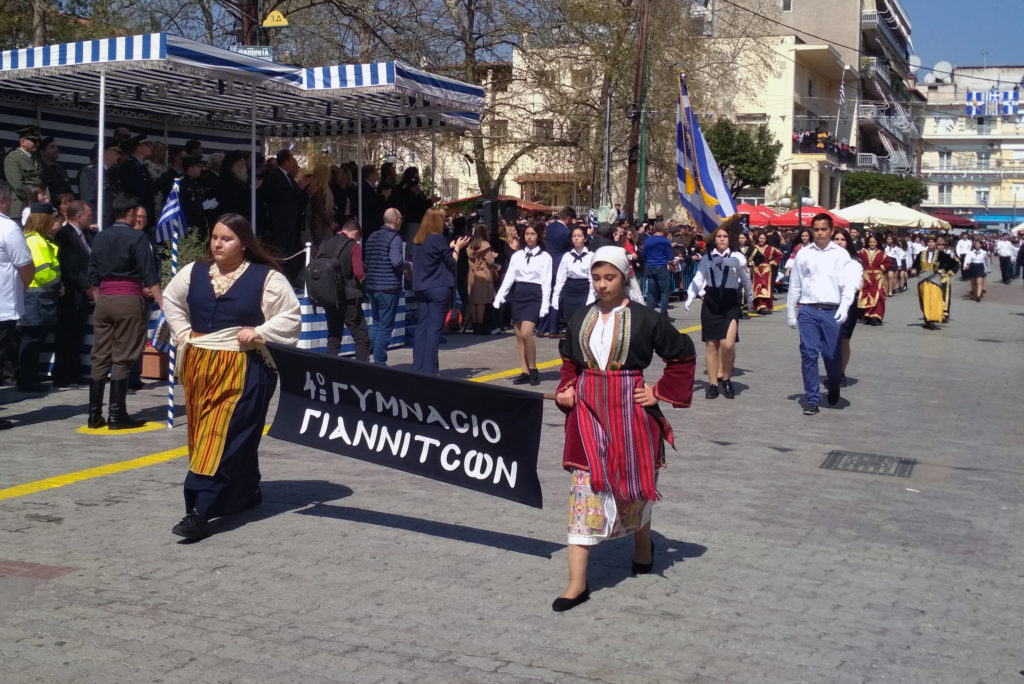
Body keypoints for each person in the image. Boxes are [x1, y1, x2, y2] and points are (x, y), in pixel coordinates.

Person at [552, 246, 696, 611]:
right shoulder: (579, 317)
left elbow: (682, 354)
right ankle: (576, 583)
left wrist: (658, 391)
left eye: (609, 278)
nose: (602, 285)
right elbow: (569, 361)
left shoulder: (647, 319)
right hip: (587, 415)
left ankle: (643, 549)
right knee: (583, 492)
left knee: (634, 486)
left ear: (624, 277)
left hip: (630, 416)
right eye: (597, 278)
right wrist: (565, 389)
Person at [162, 213, 301, 541]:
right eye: (215, 237)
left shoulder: (266, 278)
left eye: (227, 239)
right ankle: (246, 490)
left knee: (221, 437)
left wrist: (260, 331)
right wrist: (182, 333)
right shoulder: (194, 272)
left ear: (244, 244)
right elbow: (170, 299)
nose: (218, 244)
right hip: (200, 365)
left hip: (245, 368)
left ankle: (200, 509)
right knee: (213, 433)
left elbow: (290, 315)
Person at [86, 194, 162, 429]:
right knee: (123, 355)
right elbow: (149, 275)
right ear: (130, 213)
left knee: (100, 355)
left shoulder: (100, 237)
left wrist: (100, 299)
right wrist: (162, 303)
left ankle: (94, 414)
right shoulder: (137, 237)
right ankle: (117, 414)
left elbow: (92, 273)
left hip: (105, 298)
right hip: (128, 298)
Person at [786, 214, 858, 416]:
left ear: (831, 230)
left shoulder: (841, 255)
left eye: (824, 229)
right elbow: (796, 284)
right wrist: (791, 311)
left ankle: (834, 384)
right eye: (816, 229)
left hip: (831, 310)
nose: (819, 233)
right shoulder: (804, 253)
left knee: (830, 354)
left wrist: (844, 306)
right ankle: (812, 398)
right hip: (808, 309)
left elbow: (848, 284)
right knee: (808, 354)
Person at [685, 225, 752, 400]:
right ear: (714, 239)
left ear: (730, 239)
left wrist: (750, 298)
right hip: (712, 300)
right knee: (711, 345)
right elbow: (699, 278)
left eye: (725, 236)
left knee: (728, 345)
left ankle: (727, 378)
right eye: (719, 236)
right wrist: (690, 296)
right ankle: (713, 383)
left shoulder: (737, 256)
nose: (722, 239)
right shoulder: (707, 258)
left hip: (730, 301)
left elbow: (741, 268)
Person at [492, 221, 551, 386]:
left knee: (526, 333)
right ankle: (524, 370)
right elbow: (510, 276)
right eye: (527, 234)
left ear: (538, 236)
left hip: (535, 295)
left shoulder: (545, 257)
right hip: (519, 294)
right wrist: (499, 297)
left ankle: (533, 369)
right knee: (518, 336)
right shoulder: (517, 255)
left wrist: (546, 304)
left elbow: (546, 282)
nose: (530, 237)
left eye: (533, 234)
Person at [411, 208, 470, 374]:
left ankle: (418, 366)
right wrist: (457, 248)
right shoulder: (438, 239)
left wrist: (449, 247)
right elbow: (452, 263)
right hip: (438, 287)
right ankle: (430, 369)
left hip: (421, 287)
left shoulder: (418, 240)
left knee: (421, 326)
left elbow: (434, 256)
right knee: (434, 329)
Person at [15, 204, 62, 393]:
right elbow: (42, 271)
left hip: (39, 295)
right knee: (31, 340)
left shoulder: (39, 239)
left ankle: (29, 377)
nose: (54, 223)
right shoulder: (35, 241)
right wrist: (58, 284)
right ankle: (27, 380)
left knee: (34, 339)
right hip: (36, 295)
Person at [52, 201, 96, 387]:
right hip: (71, 294)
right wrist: (88, 288)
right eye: (89, 214)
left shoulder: (85, 234)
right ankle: (62, 375)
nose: (91, 217)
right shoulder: (65, 235)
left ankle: (74, 372)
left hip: (82, 296)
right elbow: (71, 267)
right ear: (79, 217)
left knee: (76, 335)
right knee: (67, 335)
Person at [0, 182, 34, 406]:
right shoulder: (8, 228)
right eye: (11, 200)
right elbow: (25, 266)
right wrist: (23, 287)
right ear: (2, 201)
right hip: (3, 306)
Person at [318, 220, 370, 361]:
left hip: (329, 297)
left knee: (334, 338)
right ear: (355, 233)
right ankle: (362, 374)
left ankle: (329, 373)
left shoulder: (325, 243)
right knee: (361, 338)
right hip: (349, 299)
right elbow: (359, 273)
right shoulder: (354, 246)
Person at [363, 208, 409, 364]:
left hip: (372, 286)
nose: (402, 221)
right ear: (395, 220)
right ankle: (379, 361)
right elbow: (396, 261)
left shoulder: (372, 236)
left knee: (376, 323)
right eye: (401, 218)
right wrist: (408, 265)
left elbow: (367, 260)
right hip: (388, 287)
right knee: (385, 327)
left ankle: (366, 355)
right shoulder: (394, 238)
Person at [832, 229, 863, 385]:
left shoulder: (854, 261)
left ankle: (841, 372)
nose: (839, 242)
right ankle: (832, 370)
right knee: (830, 341)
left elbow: (855, 285)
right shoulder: (826, 259)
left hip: (848, 305)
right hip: (829, 304)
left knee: (844, 339)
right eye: (836, 239)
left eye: (842, 239)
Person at [540, 208, 573, 337]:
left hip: (549, 262)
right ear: (568, 218)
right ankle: (553, 328)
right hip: (560, 264)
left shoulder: (550, 227)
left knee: (546, 294)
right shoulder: (566, 232)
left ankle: (542, 327)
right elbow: (571, 247)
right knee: (557, 296)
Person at [552, 225, 593, 328]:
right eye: (574, 236)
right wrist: (556, 295)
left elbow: (593, 278)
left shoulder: (591, 256)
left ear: (585, 238)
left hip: (585, 289)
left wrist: (591, 296)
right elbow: (561, 277)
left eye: (579, 235)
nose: (576, 238)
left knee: (583, 322)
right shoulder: (567, 256)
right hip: (570, 290)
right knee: (571, 322)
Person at [917, 236, 960, 329]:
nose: (931, 244)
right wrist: (914, 269)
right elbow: (916, 264)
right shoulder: (922, 254)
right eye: (929, 242)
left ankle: (933, 319)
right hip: (923, 280)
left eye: (933, 242)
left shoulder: (941, 254)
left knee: (935, 299)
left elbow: (955, 263)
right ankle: (927, 319)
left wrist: (946, 270)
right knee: (925, 300)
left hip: (935, 279)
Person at [4, 126, 44, 217]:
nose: (37, 144)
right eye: (34, 141)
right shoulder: (13, 158)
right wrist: (35, 197)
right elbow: (18, 186)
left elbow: (41, 181)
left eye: (38, 141)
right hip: (22, 208)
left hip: (38, 205)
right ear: (22, 142)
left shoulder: (35, 158)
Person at [465, 223, 498, 335]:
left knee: (473, 301)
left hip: (472, 273)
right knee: (481, 302)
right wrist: (493, 256)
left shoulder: (470, 245)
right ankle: (481, 326)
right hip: (482, 273)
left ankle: (475, 326)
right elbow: (490, 261)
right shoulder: (485, 245)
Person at [640, 221, 675, 317]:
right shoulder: (665, 241)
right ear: (663, 229)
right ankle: (663, 313)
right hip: (661, 267)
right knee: (664, 291)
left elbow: (643, 254)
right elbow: (670, 256)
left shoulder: (648, 240)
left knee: (651, 292)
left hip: (650, 266)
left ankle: (650, 313)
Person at [856, 234, 891, 326]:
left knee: (879, 296)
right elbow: (855, 260)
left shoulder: (881, 253)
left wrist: (882, 267)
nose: (872, 244)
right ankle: (867, 315)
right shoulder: (862, 252)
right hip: (866, 277)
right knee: (866, 296)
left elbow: (889, 262)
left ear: (877, 243)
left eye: (874, 242)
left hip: (877, 278)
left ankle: (876, 316)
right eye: (870, 242)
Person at [751, 231, 782, 314]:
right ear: (758, 238)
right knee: (757, 287)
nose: (762, 240)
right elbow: (747, 256)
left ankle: (764, 305)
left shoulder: (770, 248)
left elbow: (780, 255)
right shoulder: (754, 247)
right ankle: (757, 305)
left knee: (765, 286)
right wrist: (750, 263)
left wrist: (773, 262)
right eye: (760, 238)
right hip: (756, 269)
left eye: (764, 238)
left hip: (766, 270)